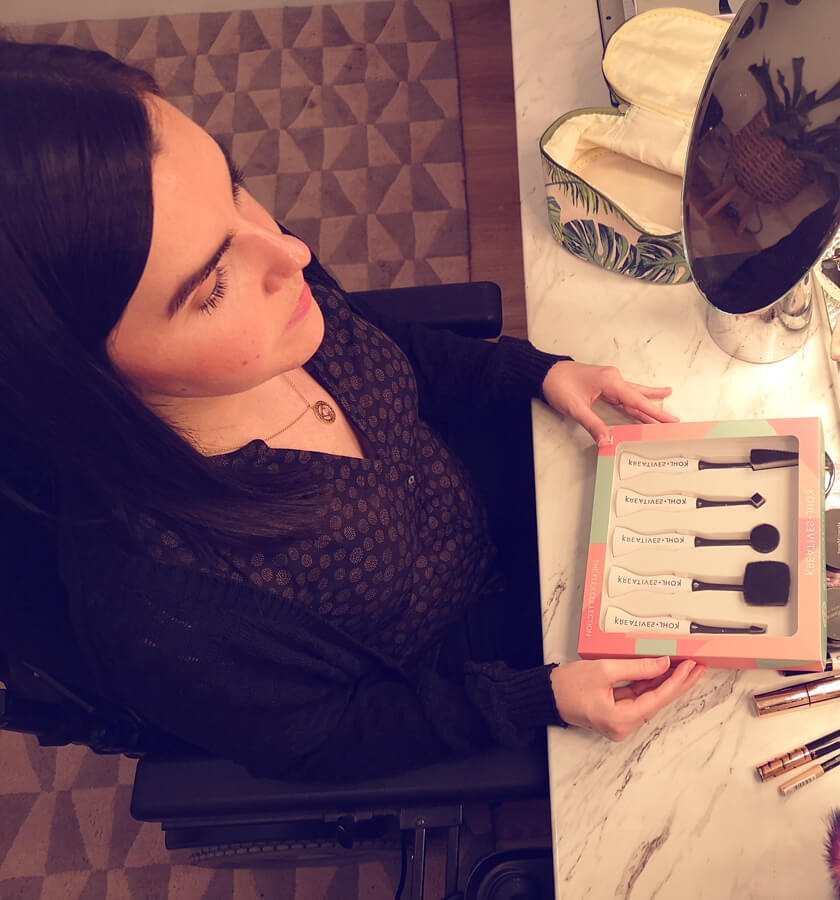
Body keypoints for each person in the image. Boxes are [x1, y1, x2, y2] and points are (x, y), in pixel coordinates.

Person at [0, 41, 705, 781]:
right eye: (210, 286)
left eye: (235, 189)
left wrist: (534, 370)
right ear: (81, 375)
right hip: (463, 669)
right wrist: (534, 697)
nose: (291, 251)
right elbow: (328, 735)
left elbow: (380, 345)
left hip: (487, 492)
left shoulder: (271, 290)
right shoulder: (167, 607)